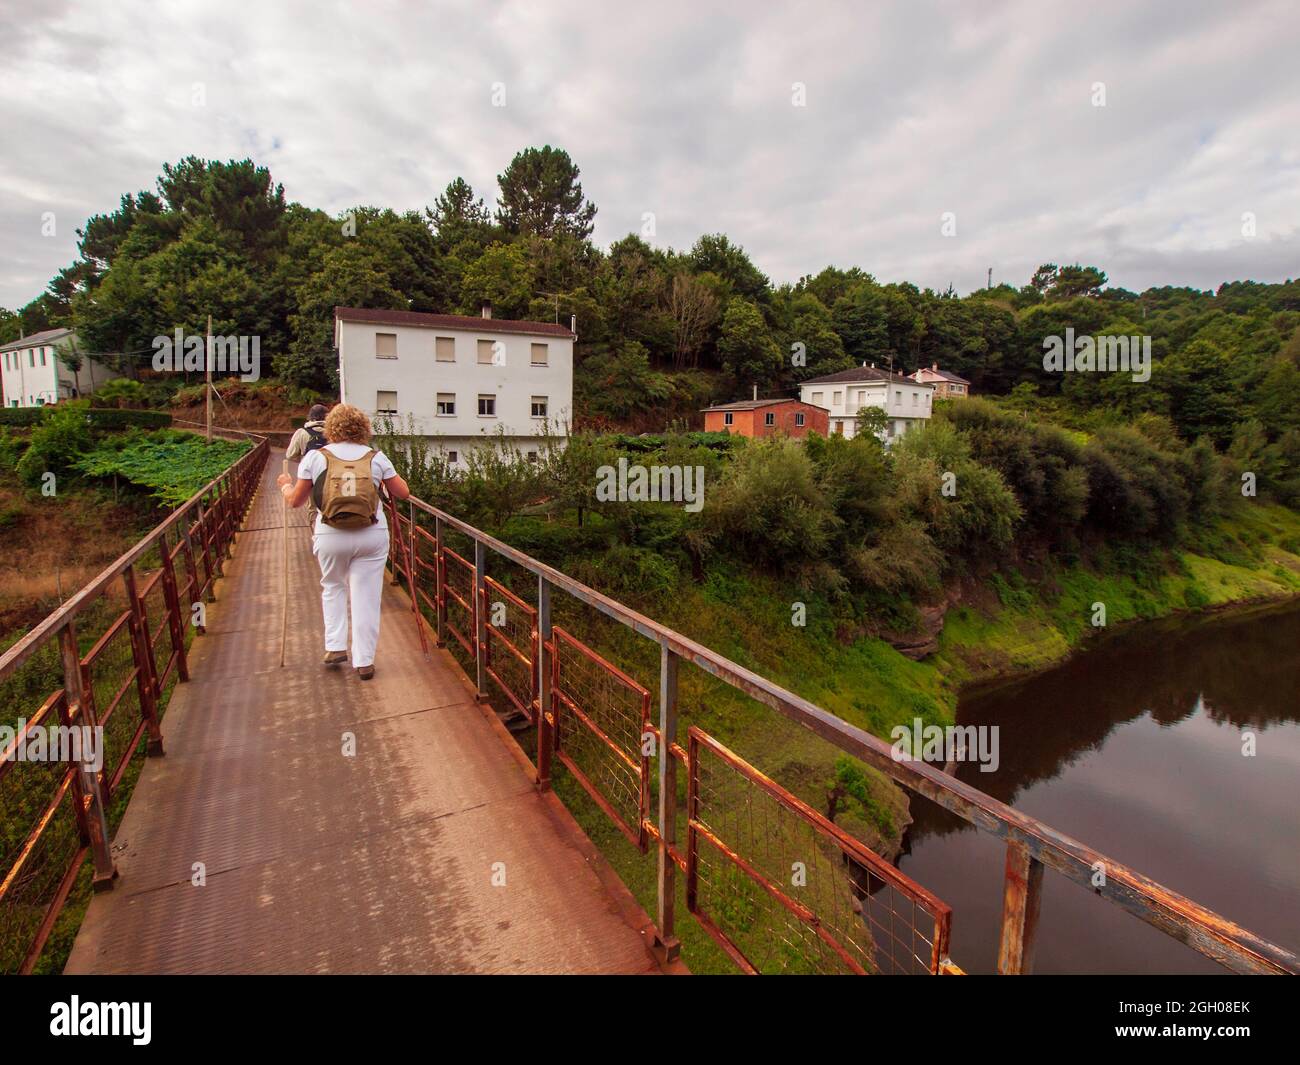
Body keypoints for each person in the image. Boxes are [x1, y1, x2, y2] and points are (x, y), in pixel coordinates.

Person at [277, 404, 410, 680]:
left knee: (333, 586)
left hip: (330, 534)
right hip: (371, 535)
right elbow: (403, 493)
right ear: (363, 428)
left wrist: (284, 485)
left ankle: (335, 646)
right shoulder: (376, 457)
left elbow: (295, 501)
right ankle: (364, 662)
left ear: (331, 428)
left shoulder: (315, 457)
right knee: (366, 597)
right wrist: (382, 480)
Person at [286, 404, 329, 521]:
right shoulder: (333, 433)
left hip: (310, 476)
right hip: (331, 475)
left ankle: (315, 533)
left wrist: (303, 460)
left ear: (310, 417)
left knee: (313, 508)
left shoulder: (301, 433)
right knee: (330, 505)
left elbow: (290, 455)